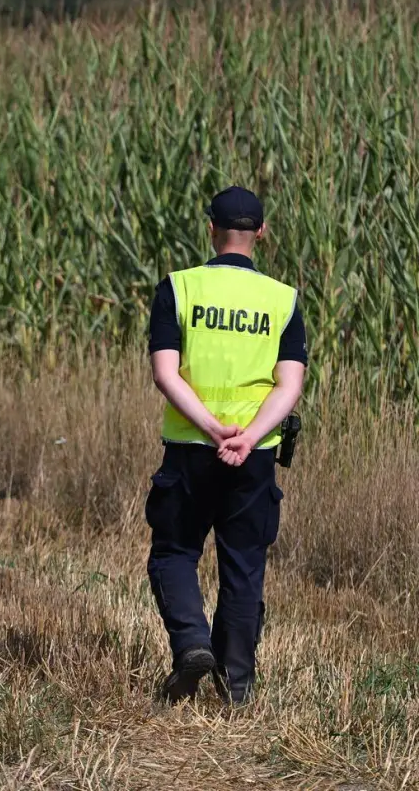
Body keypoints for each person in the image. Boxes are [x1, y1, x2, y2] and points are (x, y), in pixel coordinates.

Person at [145, 185, 307, 707]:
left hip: (193, 449)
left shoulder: (179, 288)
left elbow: (165, 374)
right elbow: (290, 385)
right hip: (254, 457)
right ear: (261, 232)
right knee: (243, 566)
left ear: (210, 228)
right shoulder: (283, 300)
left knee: (173, 553)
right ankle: (235, 688)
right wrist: (250, 435)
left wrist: (213, 429)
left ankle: (192, 642)